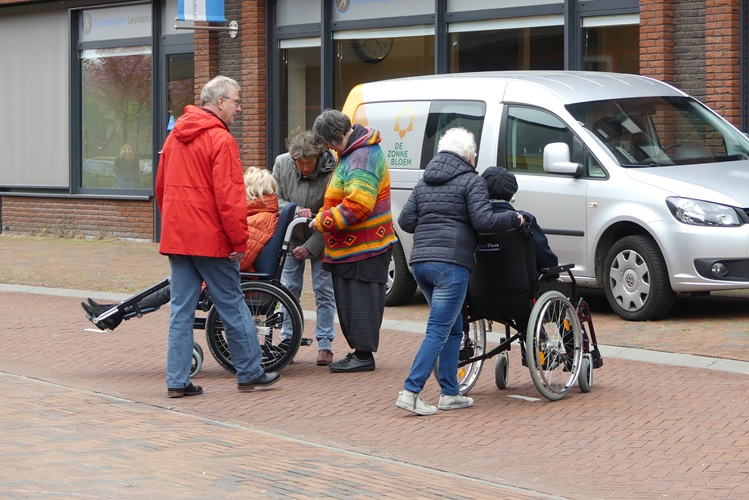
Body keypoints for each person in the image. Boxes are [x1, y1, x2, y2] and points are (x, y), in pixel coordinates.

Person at [156, 74, 280, 397]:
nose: (239, 109)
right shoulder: (221, 141)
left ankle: (177, 380)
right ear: (220, 102)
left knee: (181, 310)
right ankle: (251, 372)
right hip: (210, 240)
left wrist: (173, 222)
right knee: (232, 304)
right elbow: (230, 198)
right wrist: (239, 242)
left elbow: (160, 188)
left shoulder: (173, 137)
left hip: (178, 236)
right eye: (237, 102)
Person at [395, 127, 524, 416]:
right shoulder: (471, 180)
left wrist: (432, 220)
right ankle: (411, 391)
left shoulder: (424, 181)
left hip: (420, 265)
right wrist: (513, 218)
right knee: (439, 329)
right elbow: (483, 220)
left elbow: (405, 221)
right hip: (451, 265)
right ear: (469, 155)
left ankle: (450, 393)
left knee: (453, 328)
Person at [81, 166, 280, 330]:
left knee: (173, 286)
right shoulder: (259, 215)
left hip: (233, 280)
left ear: (253, 192)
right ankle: (113, 311)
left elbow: (240, 258)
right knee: (170, 283)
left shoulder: (258, 218)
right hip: (230, 275)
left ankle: (115, 313)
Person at [310, 109, 397, 373]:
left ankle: (363, 355)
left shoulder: (361, 156)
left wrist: (323, 221)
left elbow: (358, 206)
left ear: (337, 136)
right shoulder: (353, 152)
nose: (327, 148)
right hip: (356, 246)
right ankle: (359, 352)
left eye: (327, 142)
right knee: (353, 300)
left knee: (360, 301)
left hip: (365, 247)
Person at [272, 130, 337, 366]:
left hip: (322, 237)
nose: (304, 168)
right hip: (291, 236)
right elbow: (274, 199)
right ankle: (288, 340)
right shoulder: (282, 164)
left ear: (318, 157)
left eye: (308, 163)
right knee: (288, 289)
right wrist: (294, 208)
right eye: (299, 163)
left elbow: (334, 211)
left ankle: (325, 344)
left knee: (324, 290)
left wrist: (311, 247)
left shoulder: (333, 170)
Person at [481, 166, 559, 281]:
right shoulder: (525, 220)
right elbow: (545, 257)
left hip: (479, 288)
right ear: (511, 194)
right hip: (522, 287)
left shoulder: (473, 219)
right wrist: (554, 274)